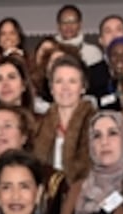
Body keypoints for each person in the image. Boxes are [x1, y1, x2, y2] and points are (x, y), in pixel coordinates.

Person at [32, 55, 94, 184]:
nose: (65, 87)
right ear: (51, 89)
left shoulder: (96, 125)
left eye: (72, 81)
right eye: (59, 81)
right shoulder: (37, 127)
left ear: (83, 87)